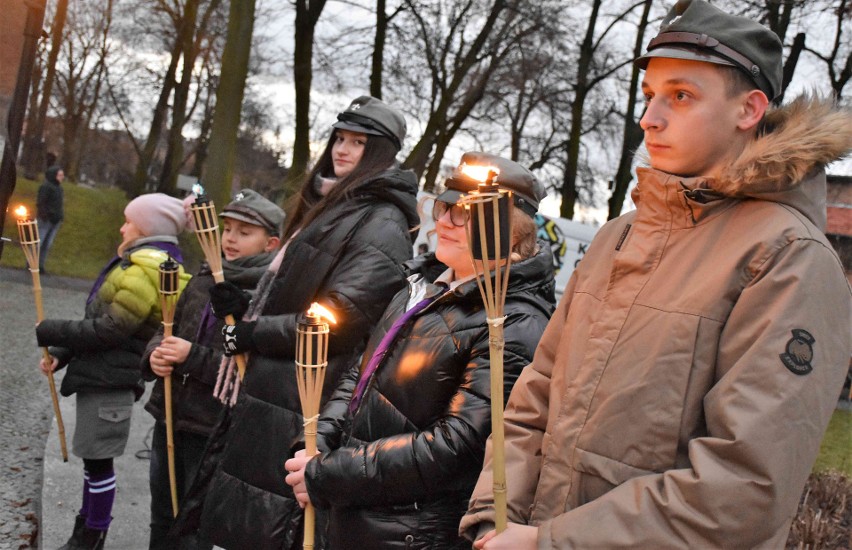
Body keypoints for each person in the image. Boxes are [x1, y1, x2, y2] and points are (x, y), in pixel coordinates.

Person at [460, 1, 852, 548]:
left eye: (681, 96)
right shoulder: (617, 236)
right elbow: (535, 397)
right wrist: (495, 512)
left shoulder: (788, 257)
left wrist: (551, 543)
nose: (650, 118)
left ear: (749, 109)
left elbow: (746, 483)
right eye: (649, 96)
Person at [283, 152, 556, 548]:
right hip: (349, 512)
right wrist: (317, 444)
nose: (443, 221)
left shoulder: (514, 323)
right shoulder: (421, 286)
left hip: (409, 533)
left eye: (462, 213)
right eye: (443, 207)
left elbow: (456, 448)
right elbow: (361, 378)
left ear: (509, 230)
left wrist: (330, 474)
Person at [190, 96, 421, 549]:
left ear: (380, 153)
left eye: (358, 142)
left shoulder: (383, 221)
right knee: (239, 518)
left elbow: (341, 317)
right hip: (274, 386)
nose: (342, 149)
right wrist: (247, 299)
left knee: (268, 523)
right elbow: (297, 282)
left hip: (304, 392)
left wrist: (255, 333)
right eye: (340, 138)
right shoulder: (336, 204)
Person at [36, 193, 190, 550]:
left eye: (128, 221)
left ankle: (92, 536)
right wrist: (62, 352)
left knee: (99, 463)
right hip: (102, 375)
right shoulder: (137, 265)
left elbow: (111, 330)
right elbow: (100, 323)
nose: (122, 226)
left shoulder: (145, 270)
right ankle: (86, 530)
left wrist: (51, 330)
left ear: (148, 228)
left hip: (113, 379)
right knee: (94, 461)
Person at [141, 190, 285, 550]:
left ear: (271, 244)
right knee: (161, 514)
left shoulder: (266, 296)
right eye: (228, 228)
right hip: (171, 415)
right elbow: (167, 328)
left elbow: (247, 369)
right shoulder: (204, 277)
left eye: (244, 232)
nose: (230, 238)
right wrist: (154, 355)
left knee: (194, 525)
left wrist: (192, 357)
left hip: (212, 427)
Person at [36, 165, 65, 273]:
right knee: (39, 242)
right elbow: (41, 202)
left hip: (56, 220)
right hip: (46, 220)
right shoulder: (46, 187)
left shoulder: (59, 188)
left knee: (47, 244)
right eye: (60, 175)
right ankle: (32, 263)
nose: (62, 177)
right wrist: (45, 215)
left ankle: (41, 265)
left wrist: (60, 216)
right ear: (54, 175)